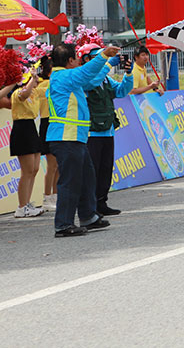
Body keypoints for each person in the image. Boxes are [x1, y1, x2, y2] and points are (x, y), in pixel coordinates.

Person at [46, 42, 122, 237]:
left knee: (87, 177)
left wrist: (105, 64)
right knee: (70, 182)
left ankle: (88, 216)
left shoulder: (67, 77)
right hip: (66, 137)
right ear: (70, 60)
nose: (79, 61)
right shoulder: (64, 76)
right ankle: (63, 224)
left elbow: (91, 79)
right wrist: (104, 55)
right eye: (77, 58)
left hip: (74, 137)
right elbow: (86, 73)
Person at [82, 44, 134, 217]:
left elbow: (121, 91)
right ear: (87, 60)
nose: (102, 59)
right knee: (93, 171)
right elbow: (91, 82)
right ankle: (91, 206)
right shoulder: (86, 78)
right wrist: (108, 64)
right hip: (92, 131)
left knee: (105, 169)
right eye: (99, 57)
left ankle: (101, 202)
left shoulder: (105, 79)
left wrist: (128, 74)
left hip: (108, 129)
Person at [8, 67, 46, 217]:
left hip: (31, 127)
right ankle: (21, 206)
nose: (36, 82)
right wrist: (31, 78)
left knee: (35, 169)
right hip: (21, 129)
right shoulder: (18, 93)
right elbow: (23, 94)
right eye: (33, 80)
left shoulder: (35, 92)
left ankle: (27, 203)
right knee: (27, 171)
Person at [37, 57, 58, 211]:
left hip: (57, 121)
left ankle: (56, 195)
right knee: (52, 165)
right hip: (47, 123)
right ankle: (47, 197)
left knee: (58, 165)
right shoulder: (43, 86)